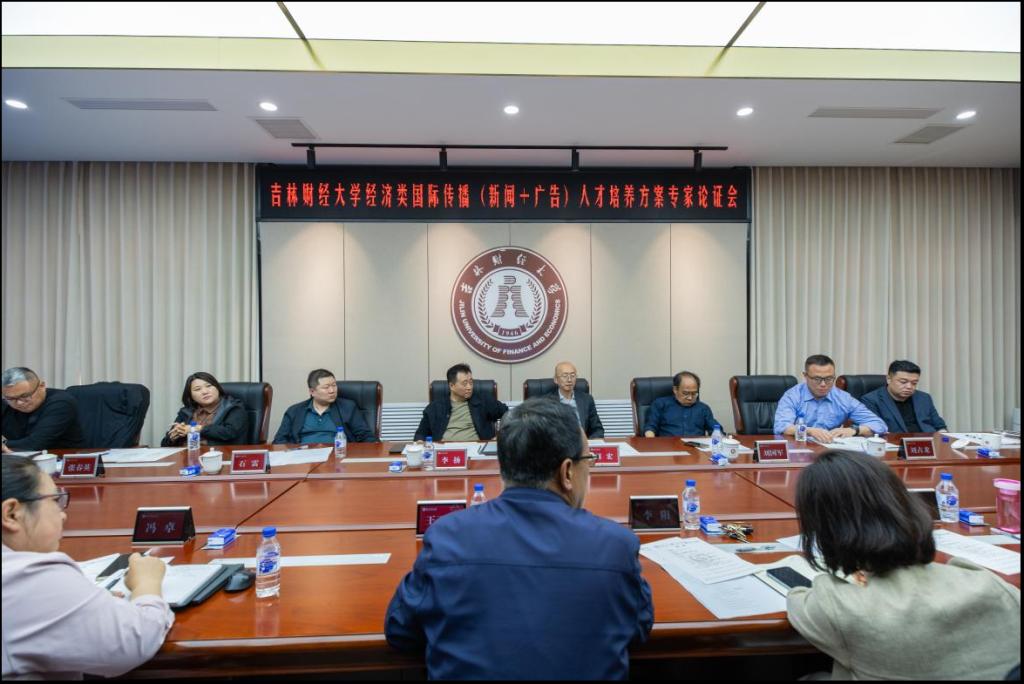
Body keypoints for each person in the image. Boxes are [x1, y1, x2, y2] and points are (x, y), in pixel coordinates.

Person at [386, 398, 653, 679]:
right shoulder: (615, 546)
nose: (590, 468)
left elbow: (400, 630)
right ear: (567, 472)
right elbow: (639, 627)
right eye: (588, 460)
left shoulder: (447, 538)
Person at [787, 450, 1020, 680]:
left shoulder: (833, 604)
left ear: (824, 530)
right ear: (905, 504)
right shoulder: (989, 584)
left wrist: (849, 577)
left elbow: (797, 599)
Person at [2, 455, 173, 678]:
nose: (63, 514)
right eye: (54, 500)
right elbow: (135, 639)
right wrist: (146, 584)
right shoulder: (27, 577)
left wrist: (77, 600)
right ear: (11, 513)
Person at [773, 354, 886, 443]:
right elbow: (781, 427)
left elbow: (879, 425)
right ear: (805, 376)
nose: (823, 384)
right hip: (800, 449)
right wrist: (810, 431)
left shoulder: (843, 398)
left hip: (830, 450)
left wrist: (853, 430)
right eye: (817, 379)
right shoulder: (793, 396)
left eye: (829, 379)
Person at [273, 369, 376, 443]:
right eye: (326, 387)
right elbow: (279, 441)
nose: (332, 390)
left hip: (337, 456)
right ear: (312, 391)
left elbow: (366, 436)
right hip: (303, 459)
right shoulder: (294, 411)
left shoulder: (348, 407)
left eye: (334, 385)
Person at [414, 363, 508, 442]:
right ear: (452, 386)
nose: (469, 387)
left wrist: (500, 436)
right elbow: (420, 434)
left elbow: (508, 414)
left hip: (476, 450)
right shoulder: (435, 407)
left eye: (471, 382)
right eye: (464, 383)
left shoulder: (483, 401)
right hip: (445, 452)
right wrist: (420, 442)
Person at [1, 367, 85, 452]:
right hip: (18, 458)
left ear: (42, 386)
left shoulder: (61, 402)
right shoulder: (5, 403)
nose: (19, 403)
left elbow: (34, 444)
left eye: (24, 396)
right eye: (11, 398)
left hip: (61, 457)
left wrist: (4, 443)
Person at [160, 372, 248, 447]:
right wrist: (172, 437)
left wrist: (195, 429)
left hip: (218, 456)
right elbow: (164, 444)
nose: (205, 392)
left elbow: (229, 433)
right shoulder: (186, 411)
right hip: (185, 455)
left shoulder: (233, 407)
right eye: (197, 389)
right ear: (191, 396)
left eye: (209, 386)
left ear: (217, 388)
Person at [860, 360, 948, 434]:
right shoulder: (871, 400)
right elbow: (874, 430)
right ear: (889, 379)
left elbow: (940, 426)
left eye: (914, 383)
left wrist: (944, 439)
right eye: (903, 382)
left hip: (928, 443)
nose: (909, 387)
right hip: (894, 444)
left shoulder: (924, 398)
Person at [643, 371, 718, 437]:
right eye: (686, 393)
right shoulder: (660, 404)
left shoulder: (703, 408)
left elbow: (716, 430)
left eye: (694, 393)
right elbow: (650, 428)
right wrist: (651, 443)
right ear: (675, 390)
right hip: (668, 446)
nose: (690, 398)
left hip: (696, 447)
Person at [547, 361, 604, 438]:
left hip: (582, 443)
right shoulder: (547, 402)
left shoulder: (587, 400)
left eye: (573, 375)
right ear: (556, 380)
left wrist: (588, 443)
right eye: (565, 376)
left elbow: (598, 429)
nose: (569, 379)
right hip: (558, 444)